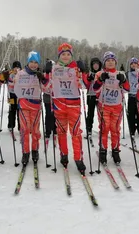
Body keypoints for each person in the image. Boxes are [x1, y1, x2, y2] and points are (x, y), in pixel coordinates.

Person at [44, 43, 86, 174]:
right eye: (63, 54)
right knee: (61, 132)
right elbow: (46, 87)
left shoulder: (75, 68)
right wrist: (46, 73)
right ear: (59, 56)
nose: (66, 56)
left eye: (68, 54)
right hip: (59, 105)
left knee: (75, 132)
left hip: (74, 105)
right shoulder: (54, 69)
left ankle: (78, 158)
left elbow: (84, 85)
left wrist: (83, 72)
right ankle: (64, 154)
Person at [92, 51, 129, 164]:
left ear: (115, 62)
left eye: (112, 60)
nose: (110, 62)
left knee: (115, 129)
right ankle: (103, 151)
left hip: (117, 106)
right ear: (104, 62)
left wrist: (124, 80)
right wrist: (100, 80)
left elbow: (127, 89)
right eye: (108, 61)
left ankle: (115, 151)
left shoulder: (120, 73)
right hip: (104, 106)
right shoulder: (99, 74)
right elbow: (95, 89)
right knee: (104, 128)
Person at [13, 51, 46, 165]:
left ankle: (35, 150)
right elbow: (13, 87)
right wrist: (8, 77)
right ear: (27, 62)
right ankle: (25, 152)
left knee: (35, 130)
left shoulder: (39, 74)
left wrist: (43, 79)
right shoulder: (21, 73)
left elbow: (47, 89)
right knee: (25, 130)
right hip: (24, 105)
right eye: (31, 62)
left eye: (36, 62)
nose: (33, 65)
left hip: (36, 106)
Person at [83, 57, 102, 140]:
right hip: (91, 95)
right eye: (94, 64)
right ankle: (89, 130)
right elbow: (85, 85)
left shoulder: (102, 73)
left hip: (99, 96)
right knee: (90, 114)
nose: (95, 66)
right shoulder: (89, 73)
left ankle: (103, 129)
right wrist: (88, 79)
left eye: (97, 64)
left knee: (101, 114)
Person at [126, 57, 139, 137]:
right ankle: (132, 129)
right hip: (131, 96)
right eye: (132, 64)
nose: (133, 65)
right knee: (131, 114)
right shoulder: (128, 73)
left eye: (135, 63)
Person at [43, 60, 56, 140]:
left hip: (55, 97)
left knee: (55, 114)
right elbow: (43, 85)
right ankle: (48, 130)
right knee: (48, 114)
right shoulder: (45, 75)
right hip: (47, 96)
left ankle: (55, 129)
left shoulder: (56, 74)